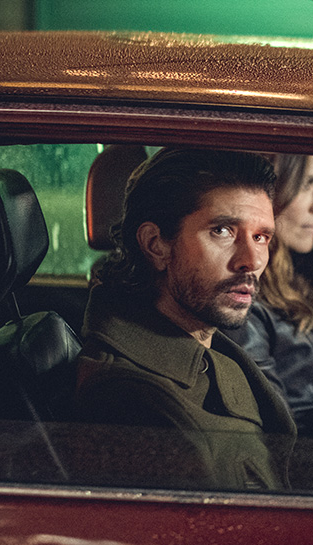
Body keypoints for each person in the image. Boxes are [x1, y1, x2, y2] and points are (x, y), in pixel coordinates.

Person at [75, 147, 296, 490]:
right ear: (156, 244)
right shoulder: (129, 401)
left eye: (261, 237)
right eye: (222, 231)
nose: (251, 261)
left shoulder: (215, 356)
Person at [225, 154, 313, 435]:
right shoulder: (241, 297)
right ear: (262, 191)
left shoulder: (306, 275)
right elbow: (281, 435)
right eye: (307, 185)